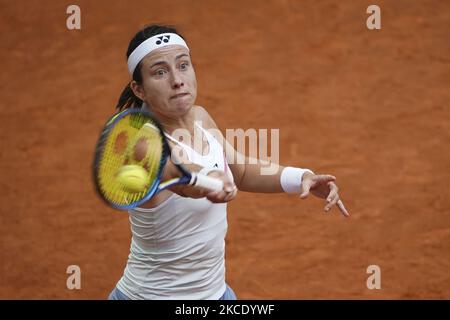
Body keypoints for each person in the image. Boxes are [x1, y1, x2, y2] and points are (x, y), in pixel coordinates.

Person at [108, 24, 349, 300]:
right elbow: (184, 179)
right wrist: (212, 180)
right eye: (160, 72)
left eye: (183, 65)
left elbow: (241, 171)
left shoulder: (199, 118)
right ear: (139, 89)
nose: (177, 80)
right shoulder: (140, 143)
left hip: (216, 294)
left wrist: (301, 177)